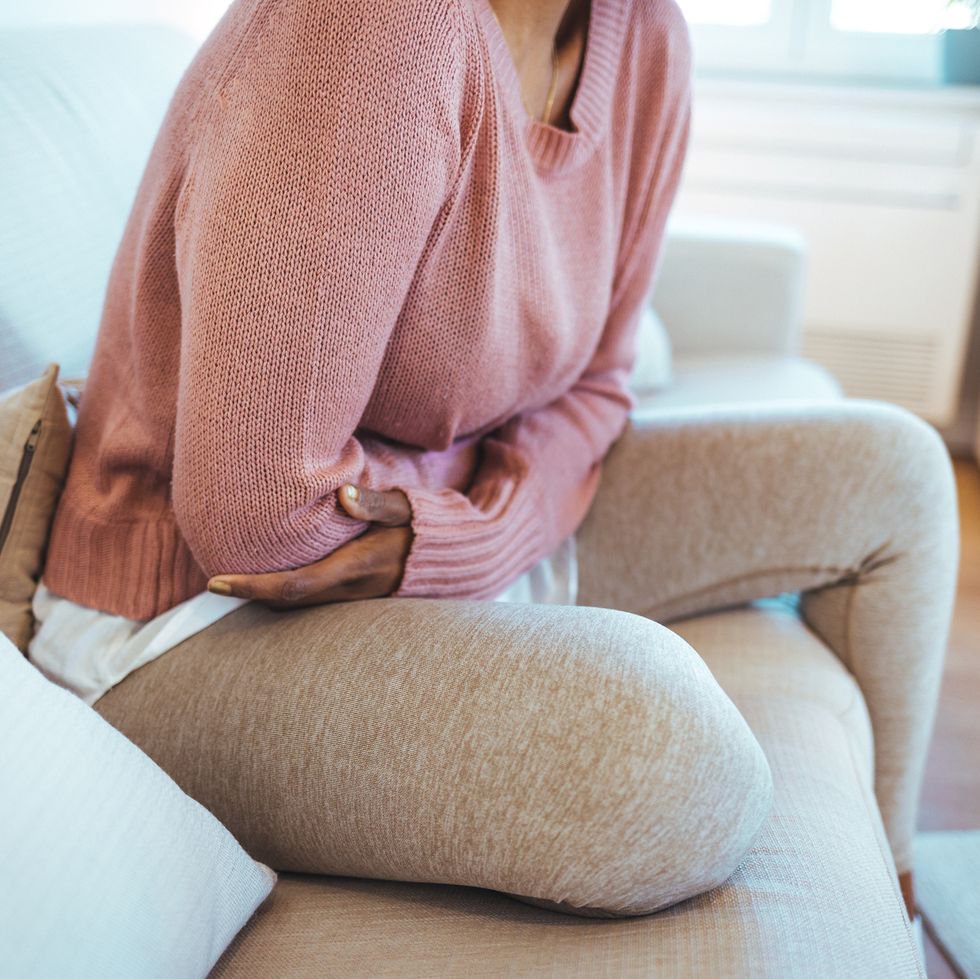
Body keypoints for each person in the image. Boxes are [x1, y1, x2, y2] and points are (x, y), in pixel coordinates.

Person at [27, 0, 957, 919]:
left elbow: (600, 384)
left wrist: (480, 533)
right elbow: (258, 517)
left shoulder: (646, 39)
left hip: (422, 525)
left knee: (898, 476)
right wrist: (470, 523)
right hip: (199, 617)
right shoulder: (369, 28)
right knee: (665, 760)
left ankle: (899, 894)